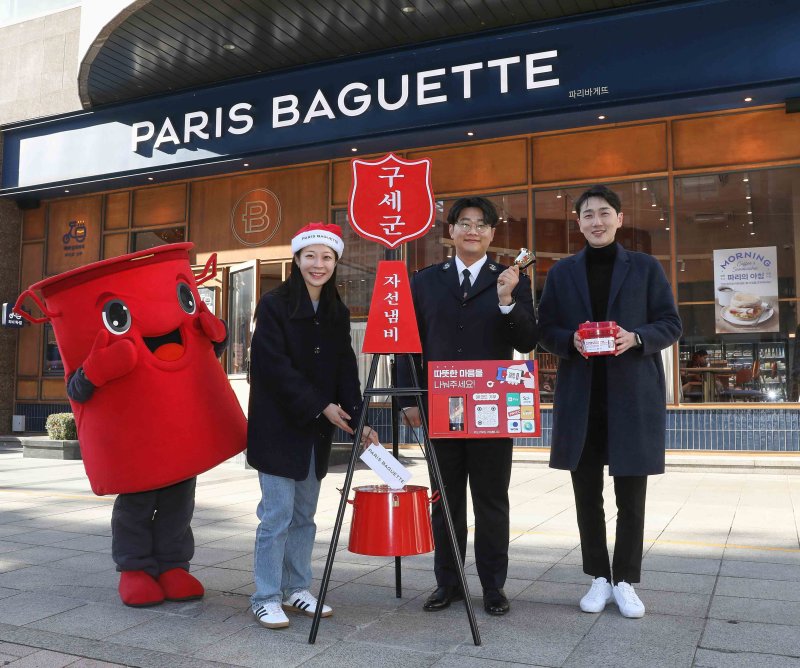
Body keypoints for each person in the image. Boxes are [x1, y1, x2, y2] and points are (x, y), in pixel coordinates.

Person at [538, 185, 681, 619]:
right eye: (587, 215)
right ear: (578, 223)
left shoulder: (645, 267)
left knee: (631, 495)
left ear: (619, 219)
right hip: (583, 398)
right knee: (586, 494)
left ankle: (626, 580)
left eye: (604, 213)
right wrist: (571, 342)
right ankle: (598, 576)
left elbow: (671, 323)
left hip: (631, 398)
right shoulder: (562, 272)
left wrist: (636, 338)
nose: (596, 222)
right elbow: (546, 329)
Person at [400, 197, 538, 616]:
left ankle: (493, 587)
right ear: (451, 232)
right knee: (445, 500)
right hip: (440, 407)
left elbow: (528, 340)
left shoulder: (511, 278)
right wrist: (409, 398)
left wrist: (507, 301)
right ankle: (449, 583)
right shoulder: (424, 281)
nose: (472, 230)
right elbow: (407, 345)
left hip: (492, 408)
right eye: (464, 223)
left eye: (481, 224)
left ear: (492, 233)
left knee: (492, 500)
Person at [246, 222, 378, 630]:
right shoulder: (274, 303)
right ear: (297, 259)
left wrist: (359, 419)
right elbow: (271, 367)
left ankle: (296, 588)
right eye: (311, 256)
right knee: (277, 515)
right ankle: (265, 595)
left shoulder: (336, 309)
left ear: (335, 262)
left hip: (315, 430)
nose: (318, 265)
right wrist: (321, 405)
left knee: (305, 515)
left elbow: (344, 368)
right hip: (278, 426)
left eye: (327, 257)